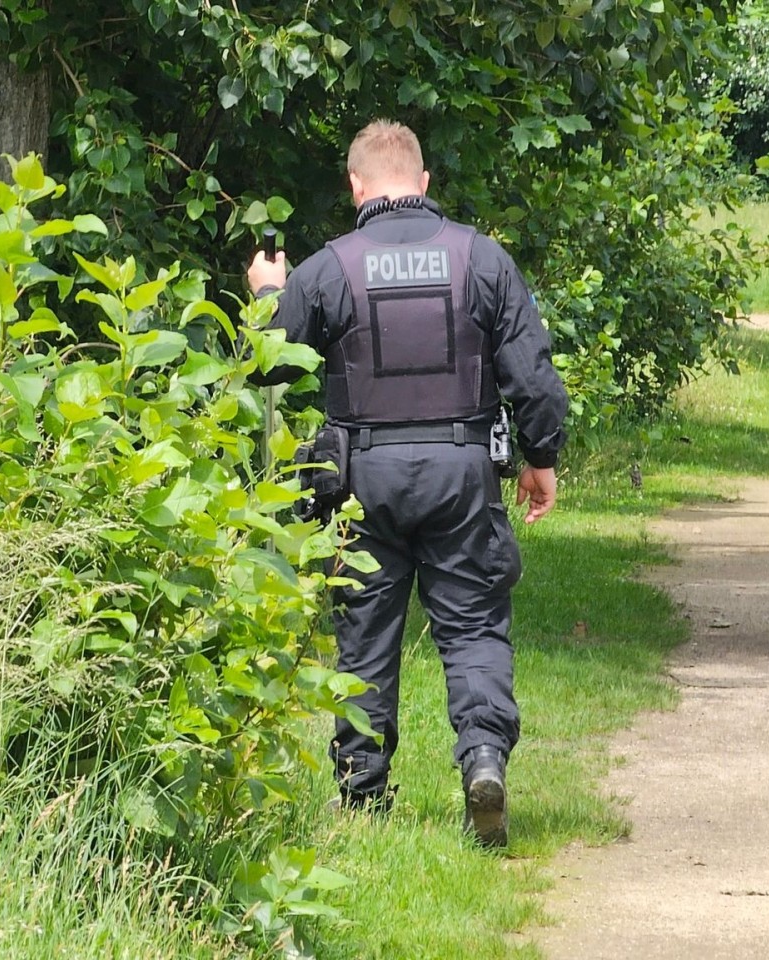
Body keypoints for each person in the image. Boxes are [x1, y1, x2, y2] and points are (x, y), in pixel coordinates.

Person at [247, 121, 568, 847]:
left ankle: (362, 794)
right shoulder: (481, 259)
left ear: (357, 187)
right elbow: (535, 380)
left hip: (363, 478)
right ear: (423, 184)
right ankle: (483, 761)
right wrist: (539, 457)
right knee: (475, 628)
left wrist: (268, 293)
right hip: (462, 472)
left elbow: (266, 363)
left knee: (363, 634)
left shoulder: (328, 268)